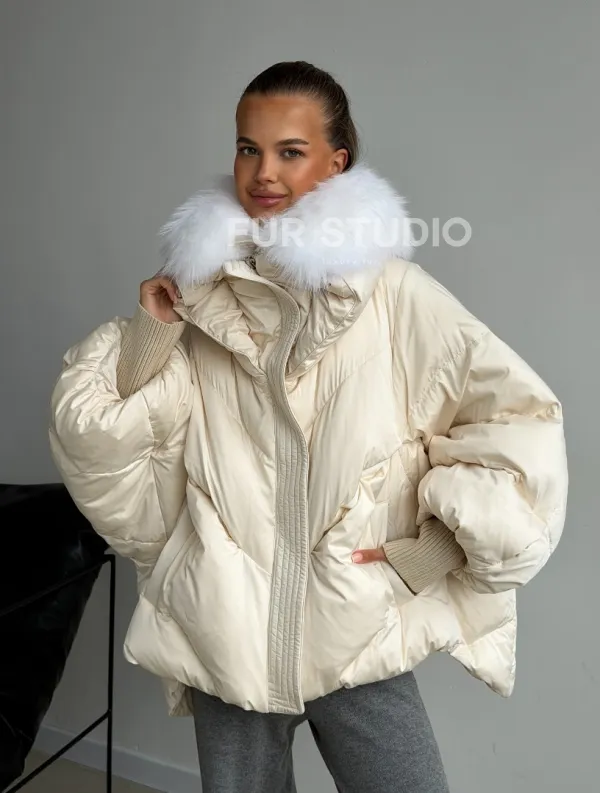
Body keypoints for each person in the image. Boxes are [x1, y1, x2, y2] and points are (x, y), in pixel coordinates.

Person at [49, 61, 568, 793]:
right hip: (229, 633)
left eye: (290, 151)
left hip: (353, 627)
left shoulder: (394, 295)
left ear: (336, 163)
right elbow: (106, 444)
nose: (264, 172)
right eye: (248, 148)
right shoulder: (199, 292)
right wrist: (154, 330)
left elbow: (518, 421)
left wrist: (432, 550)